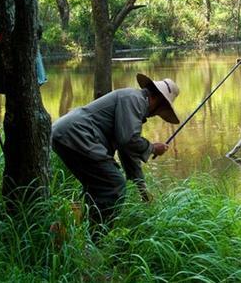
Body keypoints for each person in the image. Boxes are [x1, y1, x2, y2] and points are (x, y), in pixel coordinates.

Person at [51, 73, 180, 236]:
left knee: (96, 187)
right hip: (77, 134)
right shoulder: (134, 100)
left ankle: (66, 229)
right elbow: (128, 140)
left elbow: (127, 152)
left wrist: (142, 190)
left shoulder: (133, 103)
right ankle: (95, 239)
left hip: (66, 134)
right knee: (114, 184)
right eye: (162, 110)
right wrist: (153, 148)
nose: (156, 115)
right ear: (158, 100)